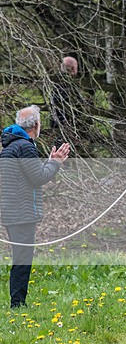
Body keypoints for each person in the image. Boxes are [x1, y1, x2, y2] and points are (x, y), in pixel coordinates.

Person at [0, 105, 71, 308]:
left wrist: (49, 162)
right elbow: (38, 178)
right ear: (37, 125)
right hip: (21, 212)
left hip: (11, 210)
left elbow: (29, 175)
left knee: (20, 257)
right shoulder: (25, 146)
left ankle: (18, 301)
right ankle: (17, 303)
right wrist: (55, 163)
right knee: (22, 259)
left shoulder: (11, 145)